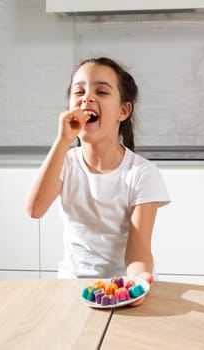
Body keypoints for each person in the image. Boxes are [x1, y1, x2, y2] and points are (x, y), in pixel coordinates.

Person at [26, 57, 170, 304]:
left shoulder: (142, 173)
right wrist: (62, 141)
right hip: (73, 285)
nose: (87, 98)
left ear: (123, 111)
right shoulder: (66, 162)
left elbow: (138, 248)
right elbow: (35, 209)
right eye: (79, 91)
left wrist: (137, 282)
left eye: (101, 91)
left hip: (122, 288)